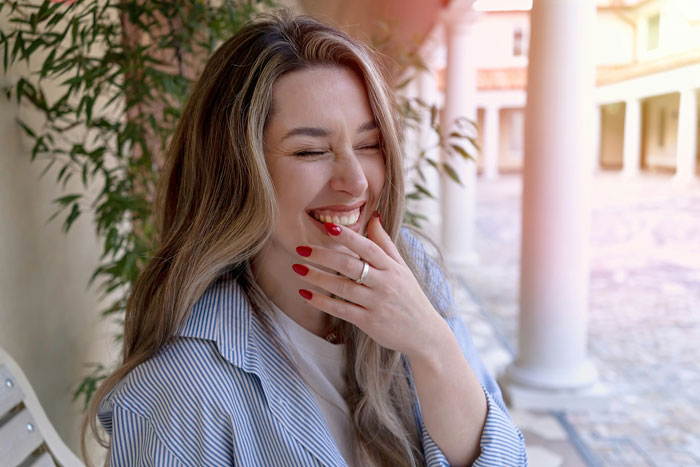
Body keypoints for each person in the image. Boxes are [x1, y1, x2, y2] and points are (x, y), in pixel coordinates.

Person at [84, 11, 527, 467]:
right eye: (311, 151)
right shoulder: (183, 389)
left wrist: (431, 345)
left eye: (369, 145)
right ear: (235, 174)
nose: (355, 182)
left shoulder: (412, 272)